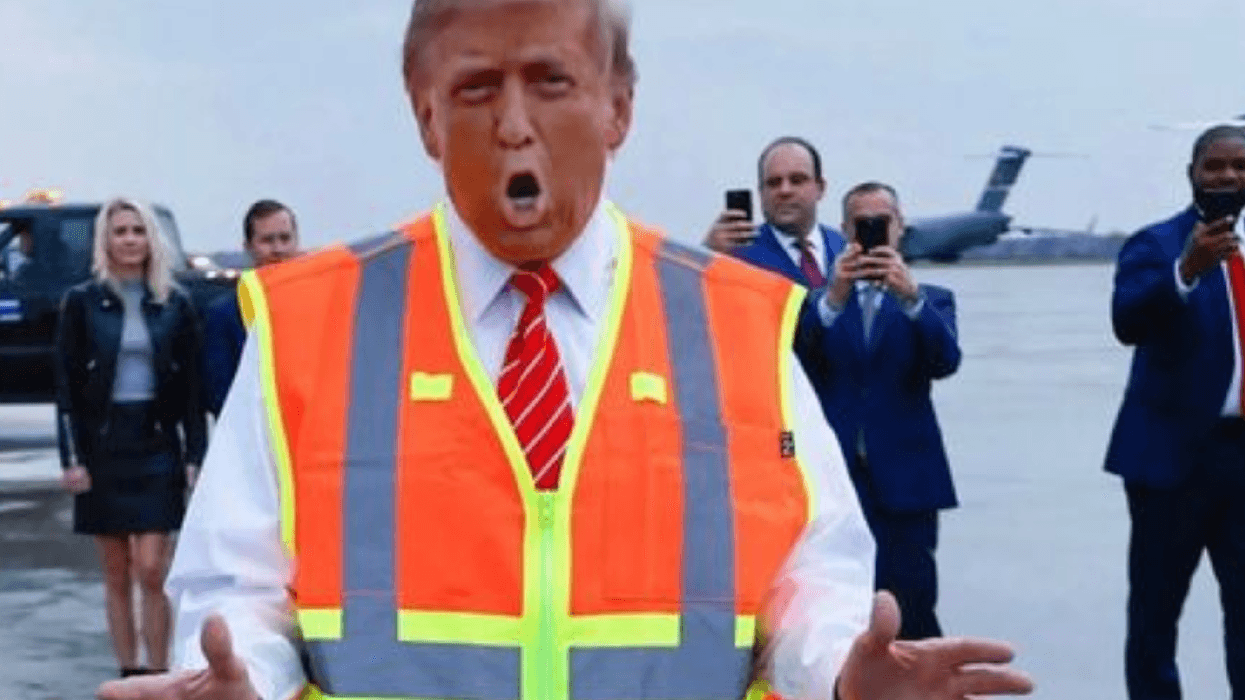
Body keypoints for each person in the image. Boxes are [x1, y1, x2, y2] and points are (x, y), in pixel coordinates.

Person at [97, 2, 1032, 700]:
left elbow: (806, 574)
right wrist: (236, 683)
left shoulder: (736, 321)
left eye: (549, 82)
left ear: (617, 106)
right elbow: (239, 588)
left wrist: (838, 668)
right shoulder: (310, 324)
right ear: (424, 116)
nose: (513, 123)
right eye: (474, 88)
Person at [1106, 123, 1245, 700]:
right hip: (1172, 463)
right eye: (1214, 166)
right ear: (1192, 173)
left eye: (1239, 166)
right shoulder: (1154, 244)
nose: (1228, 176)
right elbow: (1127, 322)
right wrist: (1186, 270)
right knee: (1156, 616)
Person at [796, 182, 961, 641]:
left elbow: (946, 361)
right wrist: (833, 298)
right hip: (838, 476)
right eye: (860, 223)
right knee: (839, 604)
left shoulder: (933, 298)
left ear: (899, 227)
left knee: (914, 603)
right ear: (845, 230)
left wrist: (910, 298)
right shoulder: (818, 302)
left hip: (907, 478)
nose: (872, 232)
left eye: (881, 222)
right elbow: (800, 363)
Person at [53, 196, 206, 678]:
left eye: (137, 231)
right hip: (103, 446)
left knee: (152, 570)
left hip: (157, 444)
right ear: (106, 240)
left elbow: (191, 389)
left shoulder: (175, 303)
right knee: (116, 572)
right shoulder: (81, 302)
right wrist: (72, 458)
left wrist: (195, 453)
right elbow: (66, 387)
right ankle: (130, 670)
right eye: (120, 231)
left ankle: (159, 671)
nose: (129, 240)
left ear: (150, 239)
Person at [704, 136, 846, 287]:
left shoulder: (845, 248)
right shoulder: (735, 255)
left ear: (820, 188)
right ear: (761, 193)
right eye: (773, 183)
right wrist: (705, 258)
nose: (785, 191)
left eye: (797, 180)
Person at [202, 199, 300, 416]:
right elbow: (219, 394)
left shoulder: (315, 304)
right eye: (267, 240)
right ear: (248, 247)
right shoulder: (225, 313)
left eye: (285, 238)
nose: (278, 249)